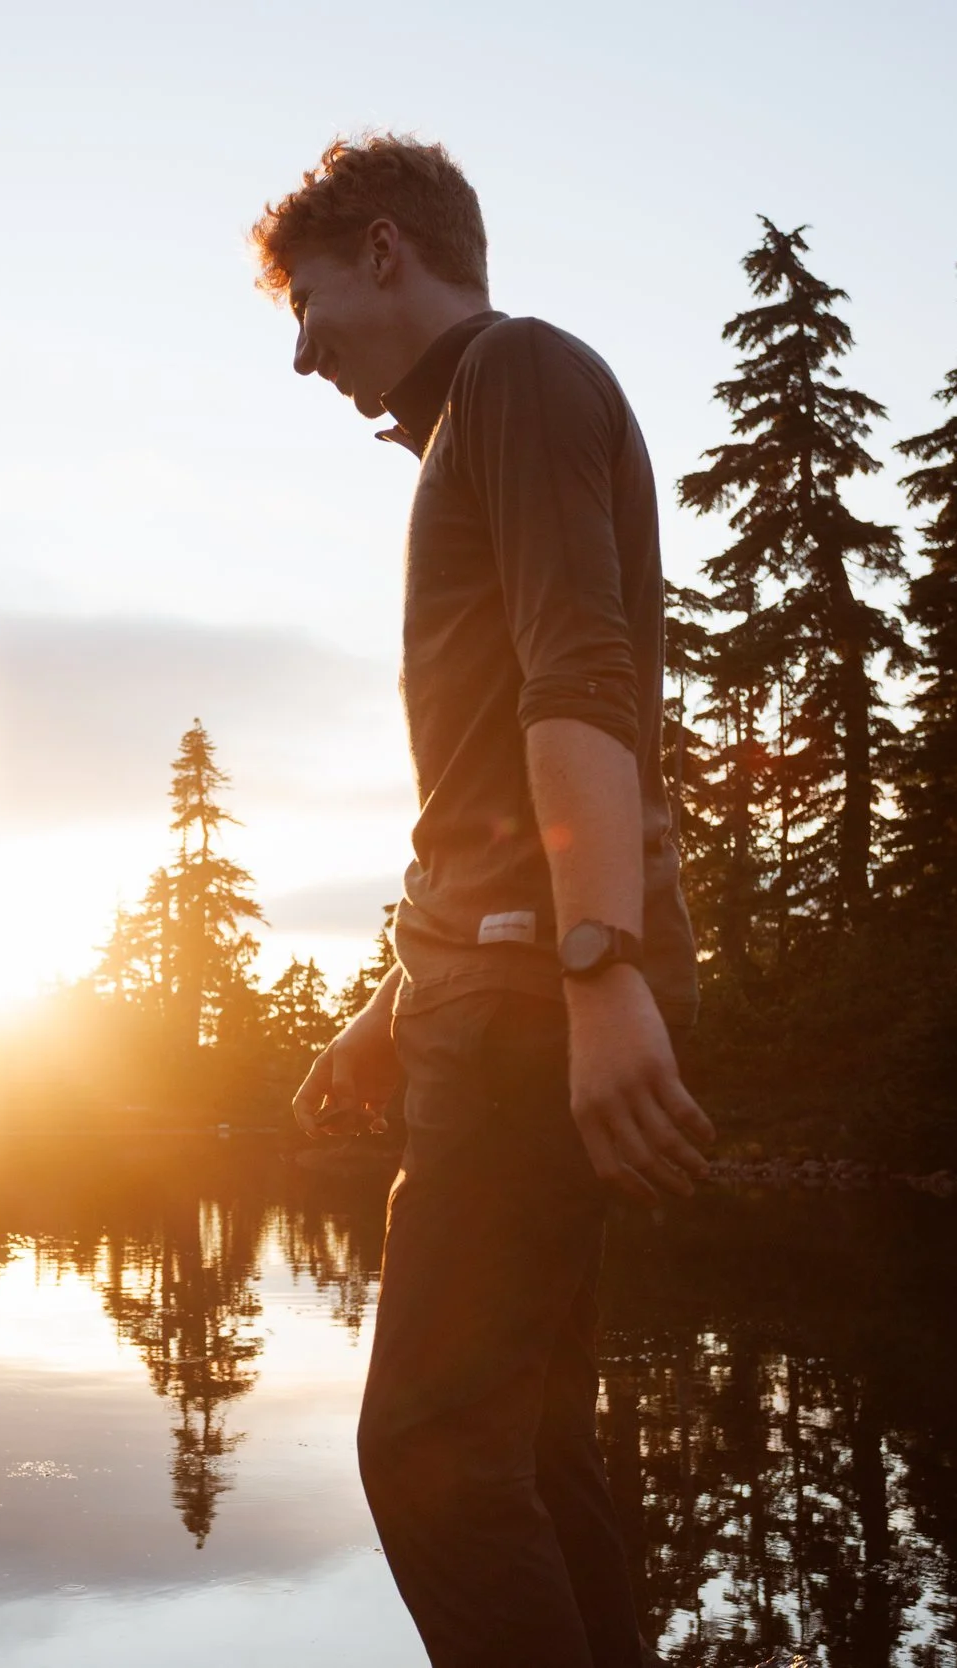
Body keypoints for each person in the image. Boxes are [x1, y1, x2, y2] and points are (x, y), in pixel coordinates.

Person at [257, 135, 715, 1668]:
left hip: (534, 991)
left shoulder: (516, 376)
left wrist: (598, 962)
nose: (302, 352)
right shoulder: (481, 426)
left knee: (433, 1459)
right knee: (528, 1447)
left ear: (387, 252)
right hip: (498, 984)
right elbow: (477, 784)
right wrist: (393, 1007)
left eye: (310, 303)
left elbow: (578, 678)